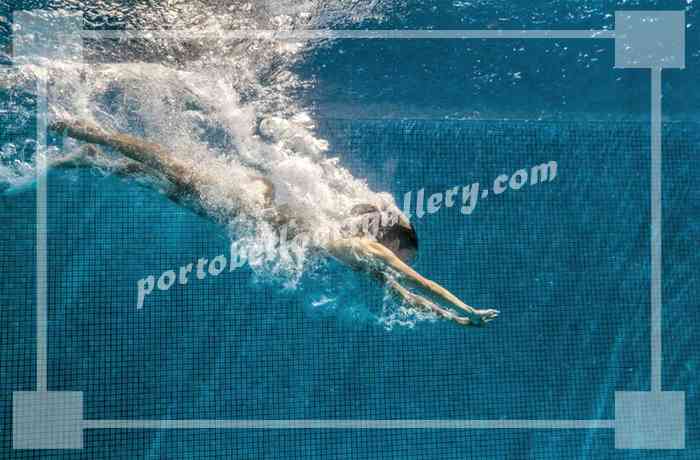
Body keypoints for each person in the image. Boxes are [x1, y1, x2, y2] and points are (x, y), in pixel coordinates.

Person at [49, 118, 499, 327]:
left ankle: (91, 159)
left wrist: (450, 320)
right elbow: (418, 283)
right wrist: (464, 308)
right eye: (406, 254)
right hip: (244, 199)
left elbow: (405, 294)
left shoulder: (359, 257)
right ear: (388, 242)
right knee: (171, 169)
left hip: (243, 212)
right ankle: (87, 130)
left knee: (170, 187)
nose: (403, 262)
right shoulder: (366, 250)